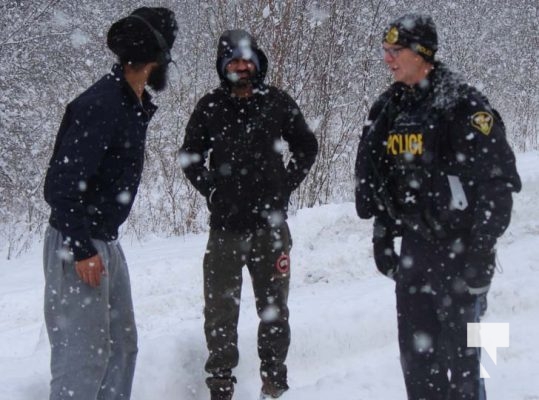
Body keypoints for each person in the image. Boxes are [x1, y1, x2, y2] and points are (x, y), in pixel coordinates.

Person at [355, 14, 521, 400]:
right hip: (415, 252)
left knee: (467, 366)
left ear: (422, 54)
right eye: (386, 51)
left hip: (461, 254)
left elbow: (497, 185)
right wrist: (383, 231)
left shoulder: (463, 104)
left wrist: (482, 251)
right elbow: (380, 176)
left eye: (396, 51)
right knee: (418, 366)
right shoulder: (391, 109)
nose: (388, 60)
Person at [42, 7, 177, 400]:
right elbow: (60, 185)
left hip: (105, 242)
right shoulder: (101, 105)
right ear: (157, 58)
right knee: (81, 360)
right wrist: (82, 248)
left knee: (121, 348)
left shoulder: (129, 102)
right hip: (77, 243)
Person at [179, 29, 318, 400]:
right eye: (233, 60)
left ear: (257, 62)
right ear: (223, 65)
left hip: (271, 229)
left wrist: (285, 184)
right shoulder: (210, 106)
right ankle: (221, 384)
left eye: (246, 59)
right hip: (224, 230)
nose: (241, 66)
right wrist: (210, 189)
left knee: (274, 310)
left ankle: (275, 382)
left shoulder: (276, 102)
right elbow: (189, 155)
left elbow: (307, 145)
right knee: (220, 314)